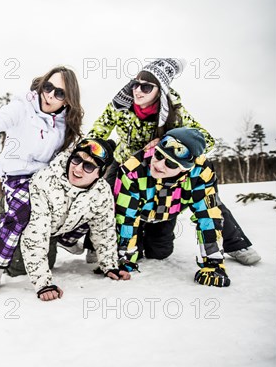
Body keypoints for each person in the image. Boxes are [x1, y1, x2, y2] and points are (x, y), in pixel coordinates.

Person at [87, 58, 260, 265]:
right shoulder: (120, 106)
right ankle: (95, 245)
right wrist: (90, 153)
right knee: (102, 197)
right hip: (124, 163)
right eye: (135, 84)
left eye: (146, 87)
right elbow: (98, 132)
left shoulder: (175, 111)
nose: (137, 91)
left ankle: (237, 243)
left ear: (159, 90)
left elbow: (206, 138)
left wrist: (169, 141)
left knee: (206, 196)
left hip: (160, 166)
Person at [0, 66, 84, 292]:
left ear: (67, 100)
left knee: (78, 196)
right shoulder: (22, 107)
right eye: (48, 87)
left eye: (59, 93)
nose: (50, 95)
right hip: (17, 175)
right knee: (21, 214)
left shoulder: (65, 122)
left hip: (44, 178)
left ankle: (67, 238)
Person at [115, 128, 232, 287]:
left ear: (185, 168)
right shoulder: (133, 169)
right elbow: (126, 217)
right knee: (133, 251)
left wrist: (214, 264)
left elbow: (208, 217)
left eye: (170, 163)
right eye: (158, 155)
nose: (159, 165)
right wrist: (124, 260)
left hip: (167, 214)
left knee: (160, 252)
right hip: (139, 212)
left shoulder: (201, 174)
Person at [19, 138, 131, 301]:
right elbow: (35, 235)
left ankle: (62, 241)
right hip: (22, 221)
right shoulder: (46, 181)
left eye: (88, 166)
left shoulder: (102, 191)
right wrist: (43, 284)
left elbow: (104, 229)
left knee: (48, 259)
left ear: (100, 173)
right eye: (77, 159)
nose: (78, 168)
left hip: (57, 226)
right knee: (18, 268)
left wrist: (110, 266)